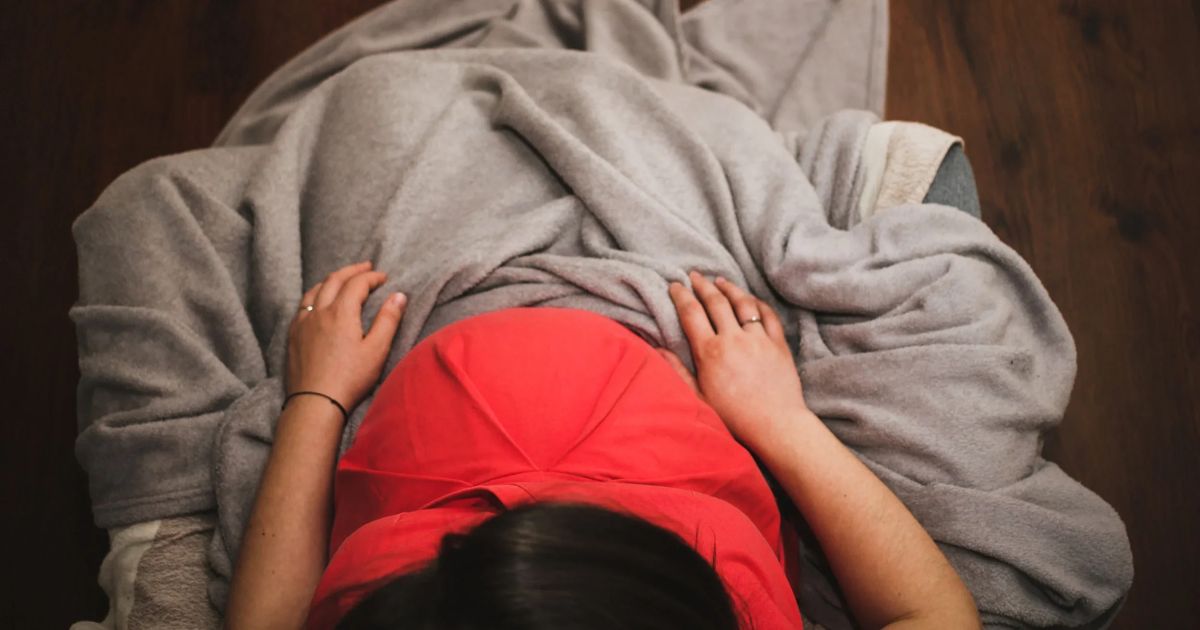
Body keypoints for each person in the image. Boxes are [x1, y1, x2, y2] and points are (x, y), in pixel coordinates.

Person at [225, 261, 981, 629]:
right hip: (657, 423)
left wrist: (316, 397)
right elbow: (939, 618)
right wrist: (781, 420)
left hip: (428, 420)